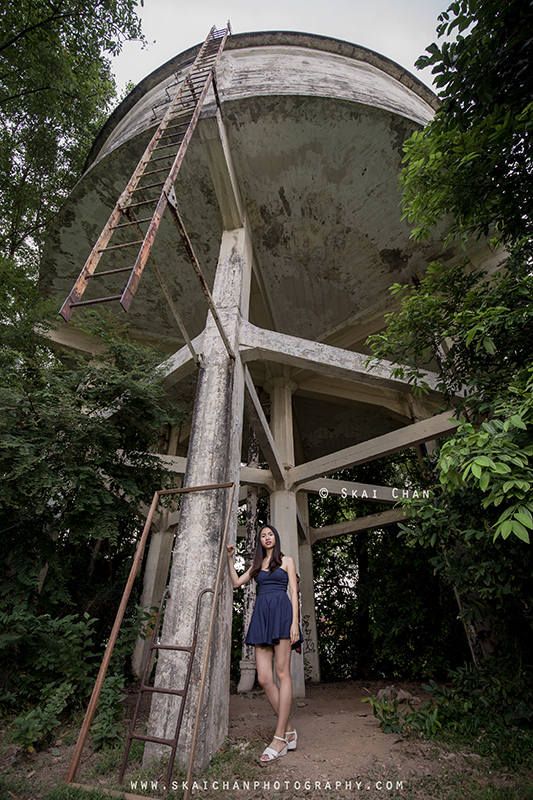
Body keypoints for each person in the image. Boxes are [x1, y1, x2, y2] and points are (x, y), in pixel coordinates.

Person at [227, 523, 302, 764]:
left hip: (282, 616)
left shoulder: (287, 561)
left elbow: (294, 592)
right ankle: (289, 730)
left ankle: (279, 738)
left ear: (275, 538)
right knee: (264, 678)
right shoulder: (257, 565)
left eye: (270, 534)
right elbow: (236, 582)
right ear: (260, 541)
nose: (267, 537)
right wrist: (230, 558)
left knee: (282, 673)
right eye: (263, 535)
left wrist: (294, 623)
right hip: (262, 617)